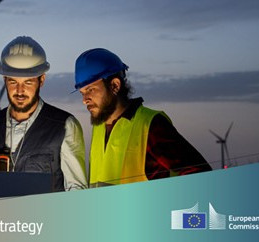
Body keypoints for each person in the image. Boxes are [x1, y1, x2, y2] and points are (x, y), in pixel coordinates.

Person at [74, 48, 212, 188]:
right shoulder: (99, 128)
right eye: (82, 93)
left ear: (115, 85)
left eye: (91, 90)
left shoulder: (150, 125)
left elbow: (199, 175)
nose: (85, 100)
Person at [0, 36, 87, 192]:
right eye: (13, 82)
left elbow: (76, 191)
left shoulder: (64, 126)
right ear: (4, 80)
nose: (20, 91)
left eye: (28, 82)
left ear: (41, 79)